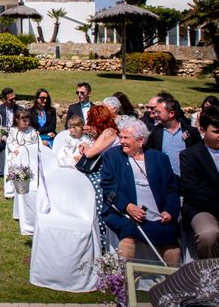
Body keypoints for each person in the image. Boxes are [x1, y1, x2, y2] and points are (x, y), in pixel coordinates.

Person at [100, 119, 181, 265]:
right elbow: (108, 186)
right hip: (124, 213)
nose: (121, 141)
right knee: (128, 236)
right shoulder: (112, 156)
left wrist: (169, 211)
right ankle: (122, 282)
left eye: (126, 138)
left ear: (141, 140)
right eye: (121, 137)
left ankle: (173, 284)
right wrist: (128, 206)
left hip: (158, 214)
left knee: (171, 244)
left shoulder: (159, 158)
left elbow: (172, 188)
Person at [180, 107, 219, 259]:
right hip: (202, 208)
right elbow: (193, 191)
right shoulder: (190, 155)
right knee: (208, 234)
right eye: (216, 131)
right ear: (202, 130)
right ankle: (209, 276)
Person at [80, 105, 120, 248]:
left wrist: (84, 145)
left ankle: (102, 240)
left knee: (99, 207)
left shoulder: (109, 132)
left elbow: (90, 153)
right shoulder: (107, 132)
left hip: (107, 175)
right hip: (106, 172)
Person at [145, 97, 201, 177]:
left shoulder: (191, 132)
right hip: (164, 180)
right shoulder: (154, 133)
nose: (155, 115)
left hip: (186, 180)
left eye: (159, 112)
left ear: (171, 113)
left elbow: (198, 155)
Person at [4, 107, 40, 198]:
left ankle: (30, 186)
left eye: (27, 120)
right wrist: (14, 150)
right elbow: (9, 142)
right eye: (23, 120)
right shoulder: (13, 131)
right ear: (17, 120)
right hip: (17, 153)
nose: (26, 122)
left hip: (29, 154)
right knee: (14, 163)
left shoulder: (32, 131)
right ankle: (12, 189)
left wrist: (32, 151)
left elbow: (36, 143)